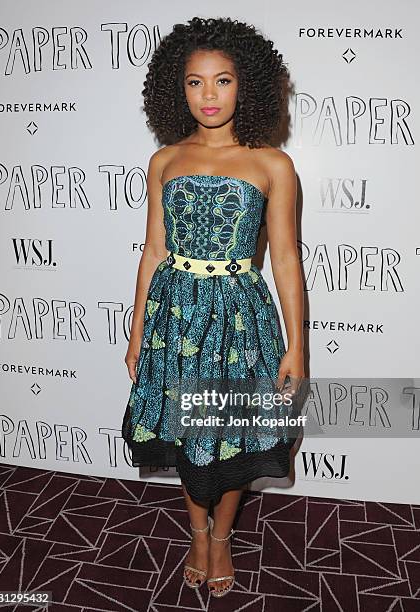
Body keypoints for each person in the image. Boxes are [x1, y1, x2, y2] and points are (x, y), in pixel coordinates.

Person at [121, 16, 304, 598]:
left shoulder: (273, 165)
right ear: (177, 89)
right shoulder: (165, 160)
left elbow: (284, 262)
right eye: (195, 82)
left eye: (222, 81)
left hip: (239, 321)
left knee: (228, 438)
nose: (208, 95)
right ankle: (195, 530)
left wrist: (296, 344)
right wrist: (135, 330)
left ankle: (220, 537)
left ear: (244, 85)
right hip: (174, 318)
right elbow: (153, 251)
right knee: (186, 436)